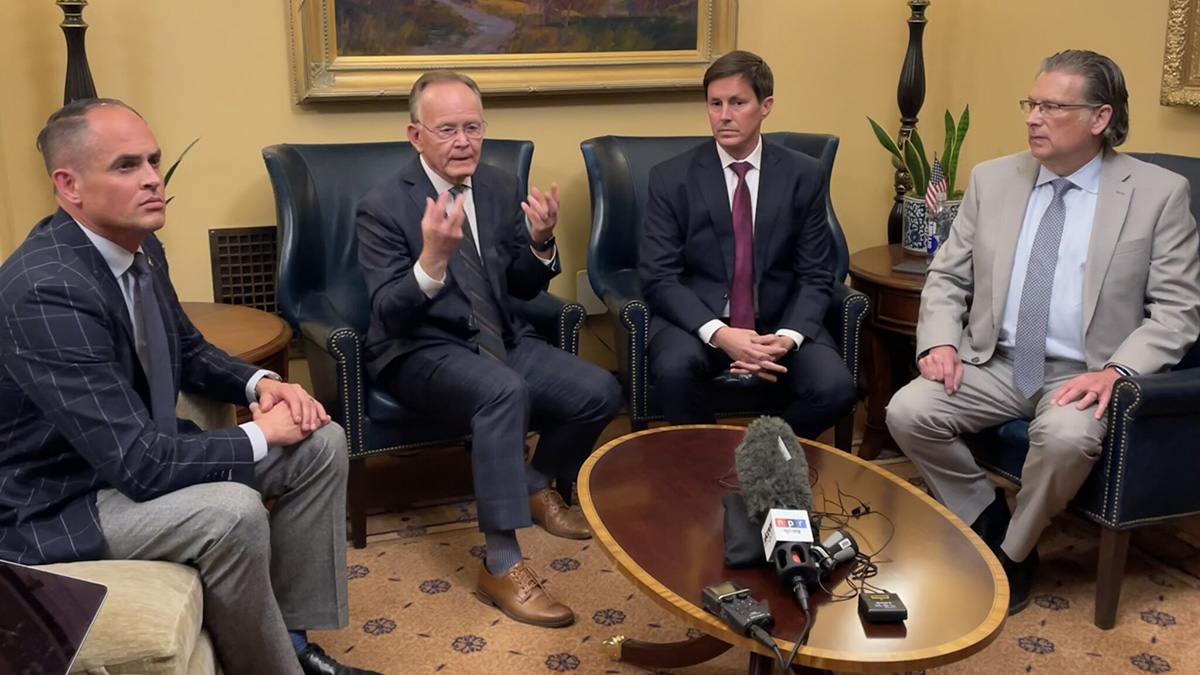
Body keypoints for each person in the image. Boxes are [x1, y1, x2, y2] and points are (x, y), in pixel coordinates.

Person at [0, 99, 376, 675]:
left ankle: (296, 642)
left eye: (153, 160)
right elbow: (141, 465)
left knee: (318, 443)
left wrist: (262, 384)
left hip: (125, 463)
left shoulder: (141, 246)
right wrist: (256, 434)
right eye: (127, 166)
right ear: (68, 185)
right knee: (232, 512)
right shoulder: (45, 289)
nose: (153, 178)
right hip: (62, 500)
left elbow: (187, 349)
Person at [886, 50, 1200, 614]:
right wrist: (939, 341)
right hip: (996, 361)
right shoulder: (993, 179)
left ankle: (1011, 555)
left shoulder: (1158, 194)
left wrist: (1116, 372)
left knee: (1066, 438)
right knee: (908, 411)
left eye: (1053, 106)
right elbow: (947, 275)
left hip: (1086, 373)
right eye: (1032, 103)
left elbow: (1177, 311)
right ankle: (989, 516)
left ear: (1099, 119)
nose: (1033, 117)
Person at [355, 70, 622, 628]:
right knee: (503, 392)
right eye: (447, 129)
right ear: (415, 136)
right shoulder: (382, 206)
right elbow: (387, 313)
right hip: (419, 350)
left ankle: (532, 486)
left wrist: (542, 243)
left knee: (600, 389)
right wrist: (431, 260)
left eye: (472, 127)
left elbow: (521, 286)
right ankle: (502, 563)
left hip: (498, 336)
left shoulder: (499, 186)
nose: (463, 141)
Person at [638, 50, 856, 439]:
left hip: (777, 320)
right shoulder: (671, 178)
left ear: (765, 106)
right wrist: (721, 335)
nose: (724, 115)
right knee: (672, 371)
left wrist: (786, 339)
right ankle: (709, 460)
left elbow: (816, 273)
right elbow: (659, 277)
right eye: (715, 104)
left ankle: (761, 456)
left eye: (738, 103)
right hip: (700, 322)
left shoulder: (803, 175)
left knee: (836, 389)